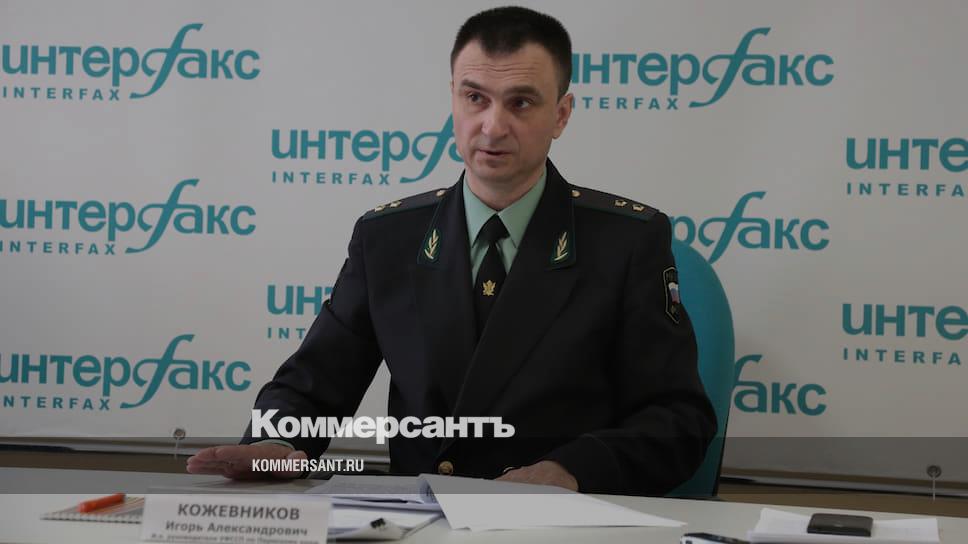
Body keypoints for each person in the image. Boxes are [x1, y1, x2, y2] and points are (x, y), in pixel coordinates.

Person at [188, 6, 716, 496]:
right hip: (418, 519)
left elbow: (679, 420)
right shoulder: (387, 239)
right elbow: (312, 385)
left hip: (556, 525)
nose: (493, 126)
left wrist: (573, 470)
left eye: (521, 102)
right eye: (475, 98)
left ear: (561, 115)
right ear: (454, 101)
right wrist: (277, 443)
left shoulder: (626, 242)